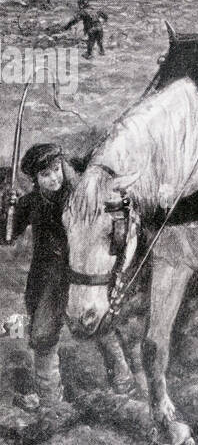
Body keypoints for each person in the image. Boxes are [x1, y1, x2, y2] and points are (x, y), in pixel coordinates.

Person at [0, 142, 134, 407]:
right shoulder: (32, 203)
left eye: (55, 169)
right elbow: (6, 236)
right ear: (35, 180)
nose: (53, 178)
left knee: (98, 323)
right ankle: (51, 401)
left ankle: (123, 380)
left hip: (81, 272)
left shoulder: (80, 194)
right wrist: (7, 209)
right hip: (48, 277)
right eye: (45, 175)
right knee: (42, 333)